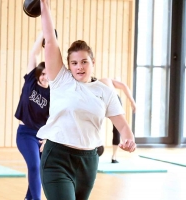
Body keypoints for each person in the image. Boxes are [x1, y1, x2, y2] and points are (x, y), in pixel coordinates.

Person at [37, 0, 137, 199]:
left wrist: (129, 140)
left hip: (88, 162)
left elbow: (123, 126)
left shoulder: (105, 91)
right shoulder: (60, 79)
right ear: (68, 65)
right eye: (74, 63)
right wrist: (44, 5)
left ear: (93, 62)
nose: (79, 67)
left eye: (84, 61)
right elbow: (50, 39)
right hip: (57, 158)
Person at [14, 32, 49, 200]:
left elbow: (56, 120)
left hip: (42, 137)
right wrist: (43, 33)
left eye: (47, 73)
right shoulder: (30, 82)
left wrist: (48, 139)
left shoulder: (55, 93)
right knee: (34, 166)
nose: (44, 76)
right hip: (25, 133)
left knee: (40, 169)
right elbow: (33, 54)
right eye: (41, 73)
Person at [100, 78, 137, 163]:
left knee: (117, 128)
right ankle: (114, 157)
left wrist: (132, 101)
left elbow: (124, 86)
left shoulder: (104, 81)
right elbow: (124, 86)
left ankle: (114, 156)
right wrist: (132, 102)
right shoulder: (106, 80)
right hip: (109, 98)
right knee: (116, 128)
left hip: (110, 99)